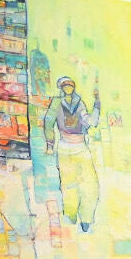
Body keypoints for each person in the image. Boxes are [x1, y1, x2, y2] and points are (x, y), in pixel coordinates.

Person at [43, 75, 101, 232]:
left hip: (81, 146)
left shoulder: (79, 103)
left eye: (71, 85)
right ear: (61, 87)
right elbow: (48, 122)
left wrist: (97, 105)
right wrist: (50, 143)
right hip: (64, 147)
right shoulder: (56, 103)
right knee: (69, 184)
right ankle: (71, 213)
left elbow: (90, 122)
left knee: (90, 184)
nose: (68, 87)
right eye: (65, 85)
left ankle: (87, 218)